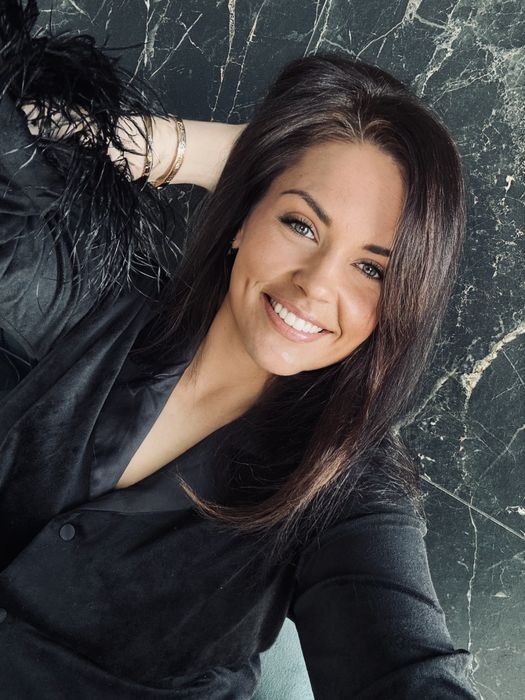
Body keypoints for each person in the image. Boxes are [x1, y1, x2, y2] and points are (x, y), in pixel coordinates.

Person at [0, 1, 480, 698]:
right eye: (300, 224)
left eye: (371, 268)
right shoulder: (96, 310)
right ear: (242, 216)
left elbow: (406, 675)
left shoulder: (347, 485)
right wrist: (202, 152)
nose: (316, 285)